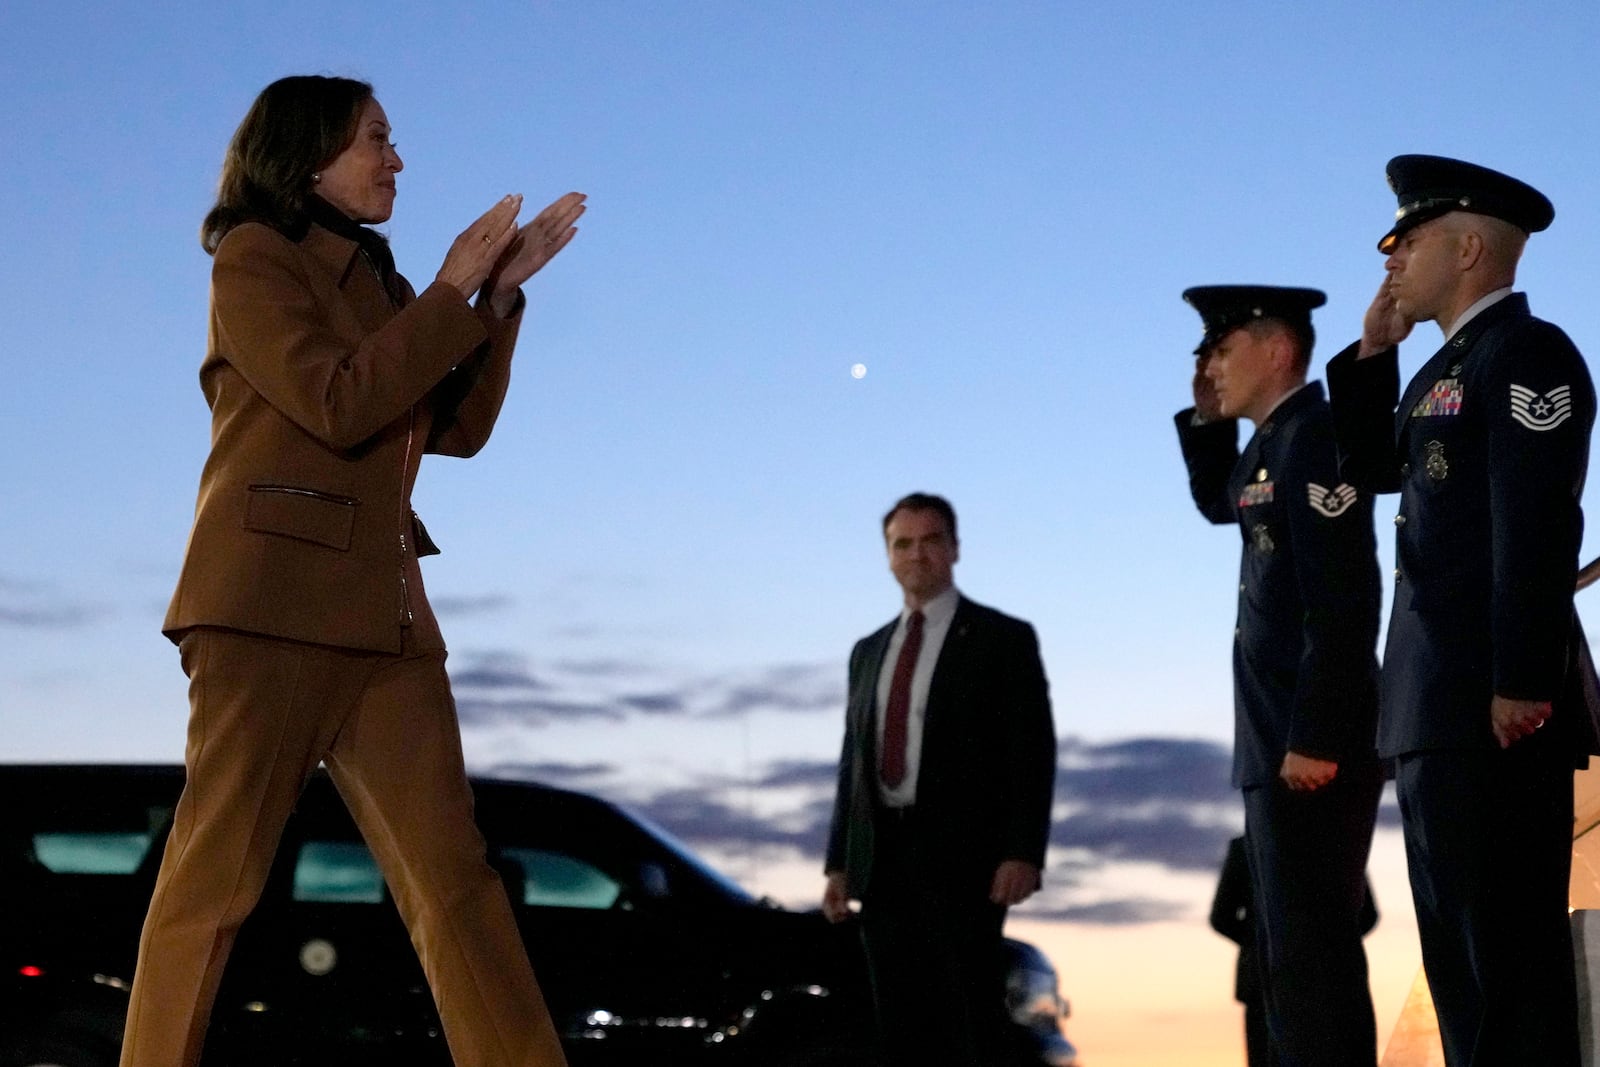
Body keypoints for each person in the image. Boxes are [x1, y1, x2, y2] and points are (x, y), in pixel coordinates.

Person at [120, 75, 586, 1067]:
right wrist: (456, 286)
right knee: (214, 887)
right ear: (309, 153)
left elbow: (453, 428)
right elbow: (337, 401)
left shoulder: (382, 279)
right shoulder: (253, 259)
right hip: (270, 614)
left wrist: (495, 298)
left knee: (457, 884)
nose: (396, 159)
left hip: (386, 623)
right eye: (377, 138)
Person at [1327, 154, 1598, 1066]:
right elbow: (1371, 473)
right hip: (1433, 707)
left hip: (1495, 709)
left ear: (1472, 246)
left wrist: (1522, 678)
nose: (1391, 258)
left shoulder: (1528, 354)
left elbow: (1538, 520)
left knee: (1510, 974)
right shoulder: (1440, 366)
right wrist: (1372, 354)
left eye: (1410, 240)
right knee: (1463, 982)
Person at [1174, 286, 1384, 1067]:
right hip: (1276, 740)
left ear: (1276, 349)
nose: (1210, 366)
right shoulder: (1270, 444)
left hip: (1308, 745)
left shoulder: (1316, 438)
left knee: (1314, 958)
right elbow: (1218, 501)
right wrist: (1205, 420)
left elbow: (1345, 597)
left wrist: (1318, 733)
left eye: (1222, 351)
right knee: (1287, 961)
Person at [821, 492, 1057, 1066]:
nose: (916, 555)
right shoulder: (868, 651)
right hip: (882, 861)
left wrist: (1022, 851)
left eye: (930, 541)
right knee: (900, 1023)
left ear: (953, 549)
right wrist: (838, 861)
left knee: (971, 1016)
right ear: (888, 556)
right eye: (903, 544)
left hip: (967, 859)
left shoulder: (1002, 639)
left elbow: (1031, 749)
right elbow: (854, 757)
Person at [1208, 835, 1379, 1067]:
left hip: (1267, 977)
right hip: (1325, 979)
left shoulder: (1247, 847)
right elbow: (1366, 914)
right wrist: (1328, 946)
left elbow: (1221, 917)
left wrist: (1264, 943)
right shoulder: (1337, 840)